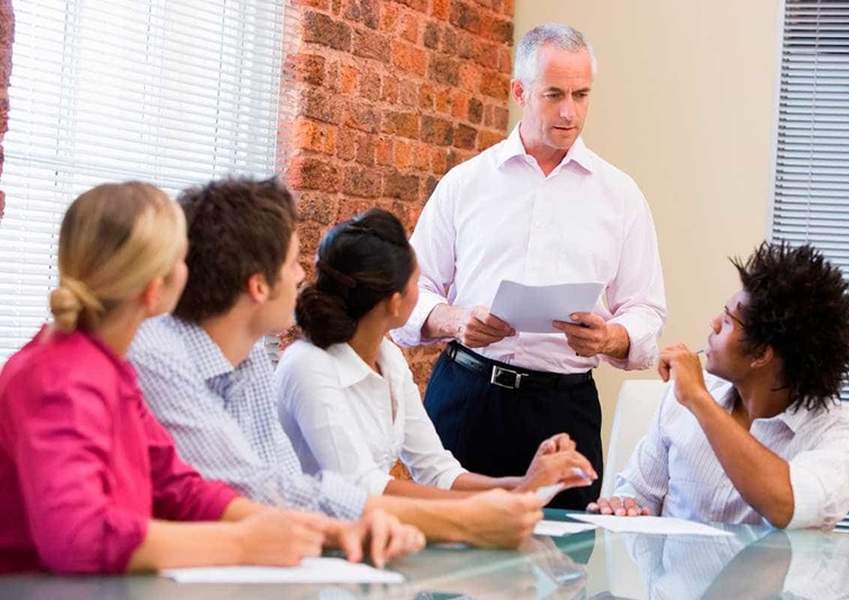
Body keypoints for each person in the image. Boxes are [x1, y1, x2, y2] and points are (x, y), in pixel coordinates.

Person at [0, 182, 421, 574]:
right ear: (154, 289)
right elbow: (78, 536)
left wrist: (327, 530)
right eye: (183, 258)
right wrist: (240, 544)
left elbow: (184, 488)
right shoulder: (59, 377)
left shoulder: (106, 367)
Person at [129, 177, 543, 548]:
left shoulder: (250, 359)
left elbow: (289, 487)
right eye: (292, 262)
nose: (300, 276)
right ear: (258, 285)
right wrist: (461, 520)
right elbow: (254, 494)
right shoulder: (161, 361)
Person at [391, 23, 667, 509]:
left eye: (582, 95)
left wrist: (610, 337)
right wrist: (458, 322)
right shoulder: (465, 183)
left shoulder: (620, 196)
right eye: (554, 94)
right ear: (520, 91)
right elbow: (410, 294)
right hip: (467, 397)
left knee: (561, 571)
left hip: (565, 410)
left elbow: (646, 310)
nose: (570, 112)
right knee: (443, 571)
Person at [276, 208, 597, 500]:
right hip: (303, 547)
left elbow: (437, 471)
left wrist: (525, 483)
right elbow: (363, 489)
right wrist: (503, 503)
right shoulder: (308, 365)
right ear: (395, 301)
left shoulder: (389, 358)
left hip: (364, 538)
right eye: (418, 282)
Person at [590, 242, 849, 529]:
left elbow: (788, 505)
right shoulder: (683, 399)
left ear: (761, 354)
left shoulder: (844, 433)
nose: (713, 324)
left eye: (727, 321)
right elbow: (637, 494)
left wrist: (699, 400)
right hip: (671, 574)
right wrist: (624, 507)